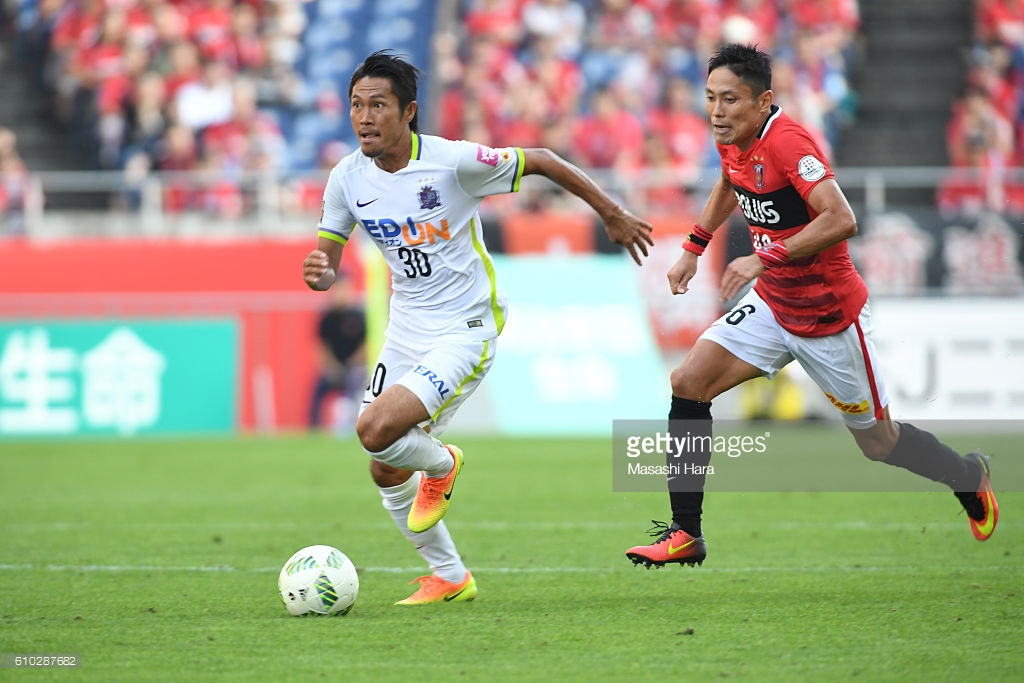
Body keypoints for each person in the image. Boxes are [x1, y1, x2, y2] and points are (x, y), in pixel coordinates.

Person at [625, 44, 999, 569]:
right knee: (688, 382)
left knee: (879, 443)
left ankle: (967, 475)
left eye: (730, 99)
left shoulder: (790, 142)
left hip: (829, 319)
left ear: (763, 101)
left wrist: (764, 256)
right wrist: (694, 246)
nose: (717, 111)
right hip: (774, 305)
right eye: (710, 98)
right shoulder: (734, 137)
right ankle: (686, 532)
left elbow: (841, 218)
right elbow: (731, 183)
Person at [302, 50, 654, 603]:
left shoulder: (453, 163)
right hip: (407, 328)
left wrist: (609, 212)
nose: (364, 117)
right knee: (385, 468)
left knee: (374, 431)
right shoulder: (346, 178)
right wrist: (320, 272)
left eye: (378, 105)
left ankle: (443, 463)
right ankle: (450, 577)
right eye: (356, 106)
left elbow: (539, 158)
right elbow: (326, 261)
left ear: (409, 111)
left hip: (465, 327)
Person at [308, 269, 366, 433]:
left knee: (357, 384)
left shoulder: (359, 316)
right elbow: (322, 347)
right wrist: (331, 368)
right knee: (317, 389)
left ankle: (351, 425)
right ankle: (313, 428)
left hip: (355, 369)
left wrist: (353, 365)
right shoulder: (327, 318)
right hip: (334, 369)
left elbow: (365, 346)